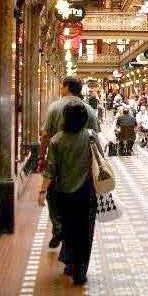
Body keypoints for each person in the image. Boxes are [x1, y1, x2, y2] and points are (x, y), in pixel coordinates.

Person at [39, 100, 100, 285]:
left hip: (63, 193)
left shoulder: (57, 140)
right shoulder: (91, 136)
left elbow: (51, 169)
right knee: (85, 231)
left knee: (68, 229)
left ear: (65, 118)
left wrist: (42, 191)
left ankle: (70, 263)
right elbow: (100, 160)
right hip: (87, 192)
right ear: (83, 119)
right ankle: (80, 270)